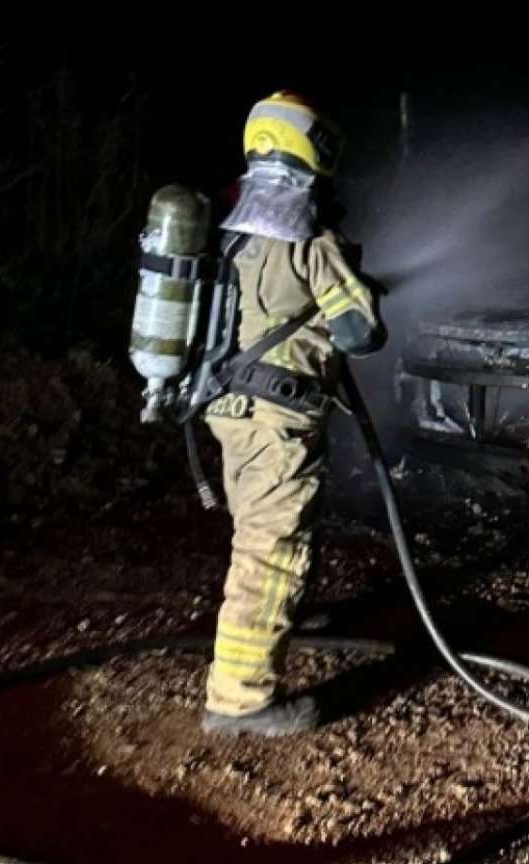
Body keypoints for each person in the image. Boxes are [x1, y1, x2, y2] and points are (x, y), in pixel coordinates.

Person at [200, 91, 384, 736]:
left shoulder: (228, 226)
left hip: (228, 408)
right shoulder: (309, 235)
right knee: (270, 544)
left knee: (257, 527)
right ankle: (241, 699)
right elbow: (361, 331)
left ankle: (283, 615)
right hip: (278, 419)